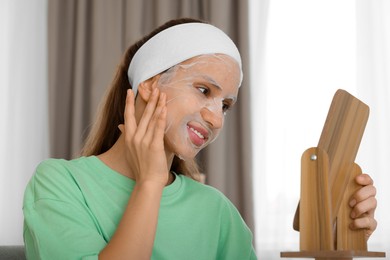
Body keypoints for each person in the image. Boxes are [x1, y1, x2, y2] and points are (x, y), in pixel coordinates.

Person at [22, 18, 377, 260]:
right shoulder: (60, 183)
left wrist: (337, 240)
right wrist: (150, 182)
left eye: (226, 105)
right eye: (203, 89)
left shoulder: (217, 211)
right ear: (148, 84)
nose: (215, 117)